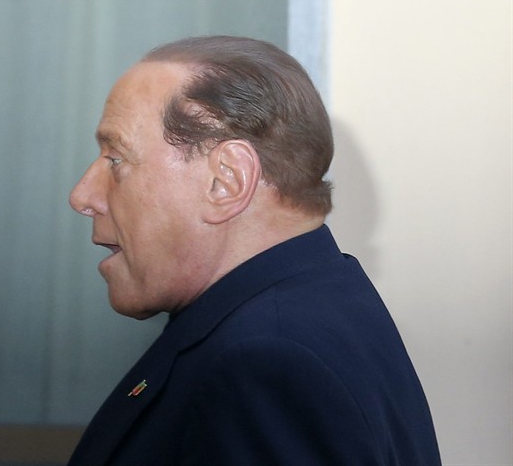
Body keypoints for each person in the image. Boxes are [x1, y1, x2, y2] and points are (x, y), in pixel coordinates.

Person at [67, 36, 441, 466]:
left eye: (116, 160)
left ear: (226, 180)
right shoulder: (319, 304)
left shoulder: (267, 361)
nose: (83, 196)